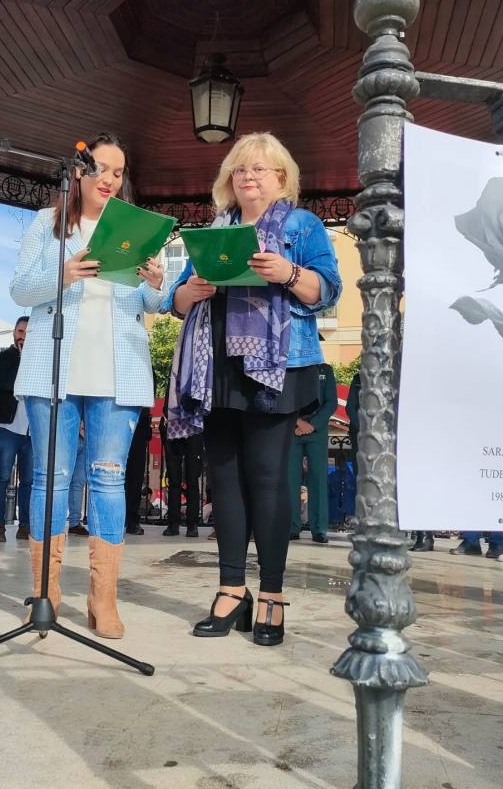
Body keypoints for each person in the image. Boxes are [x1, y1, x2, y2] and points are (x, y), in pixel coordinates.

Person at [166, 132, 341, 647]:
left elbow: (327, 291)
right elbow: (176, 301)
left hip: (278, 365)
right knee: (223, 480)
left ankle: (272, 594)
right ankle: (230, 589)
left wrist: (288, 272)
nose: (248, 176)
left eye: (259, 169)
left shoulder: (301, 225)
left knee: (268, 480)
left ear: (281, 177)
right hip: (215, 365)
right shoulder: (215, 230)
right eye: (240, 169)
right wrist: (190, 290)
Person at [10, 132, 164, 639]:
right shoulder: (48, 222)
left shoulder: (135, 229)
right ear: (78, 171)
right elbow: (20, 289)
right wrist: (64, 273)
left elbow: (150, 303)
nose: (110, 179)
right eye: (101, 168)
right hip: (53, 368)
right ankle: (46, 594)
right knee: (50, 478)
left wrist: (156, 283)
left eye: (119, 172)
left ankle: (103, 600)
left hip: (118, 370)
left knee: (109, 480)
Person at [0, 316, 33, 542]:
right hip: (7, 426)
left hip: (32, 430)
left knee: (29, 480)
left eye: (27, 332)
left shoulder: (40, 360)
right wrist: (24, 357)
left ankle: (25, 525)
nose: (22, 335)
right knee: (2, 477)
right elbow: (7, 383)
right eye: (19, 331)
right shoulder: (1, 358)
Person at [288, 360, 336, 543]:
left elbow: (331, 403)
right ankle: (291, 527)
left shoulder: (325, 370)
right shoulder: (290, 366)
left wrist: (313, 424)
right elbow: (283, 397)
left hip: (317, 431)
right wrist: (298, 421)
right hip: (292, 428)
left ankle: (319, 529)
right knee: (290, 479)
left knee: (318, 479)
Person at [160, 413, 203, 537]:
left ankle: (192, 524)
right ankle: (173, 523)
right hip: (173, 422)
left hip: (193, 423)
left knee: (192, 479)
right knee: (174, 480)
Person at [124, 407, 152, 535]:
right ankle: (120, 517)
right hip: (118, 415)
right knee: (116, 470)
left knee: (136, 474)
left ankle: (132, 519)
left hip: (140, 418)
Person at [67, 425, 89, 536]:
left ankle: (74, 523)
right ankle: (52, 523)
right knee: (58, 480)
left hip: (86, 438)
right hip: (68, 433)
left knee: (78, 483)